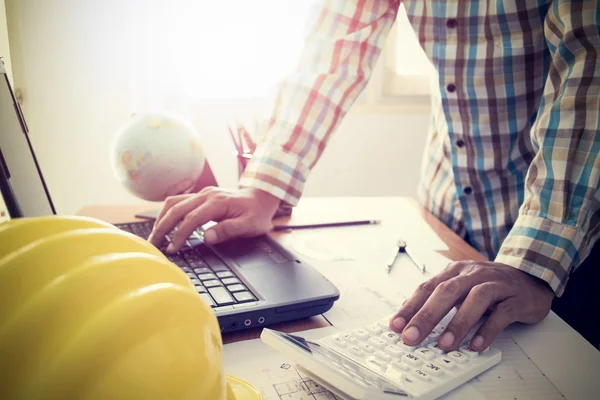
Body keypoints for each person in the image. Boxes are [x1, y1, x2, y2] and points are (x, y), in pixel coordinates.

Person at [148, 0, 600, 350]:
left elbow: (590, 65)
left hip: (567, 232)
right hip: (447, 212)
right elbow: (337, 45)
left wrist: (534, 262)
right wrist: (264, 186)